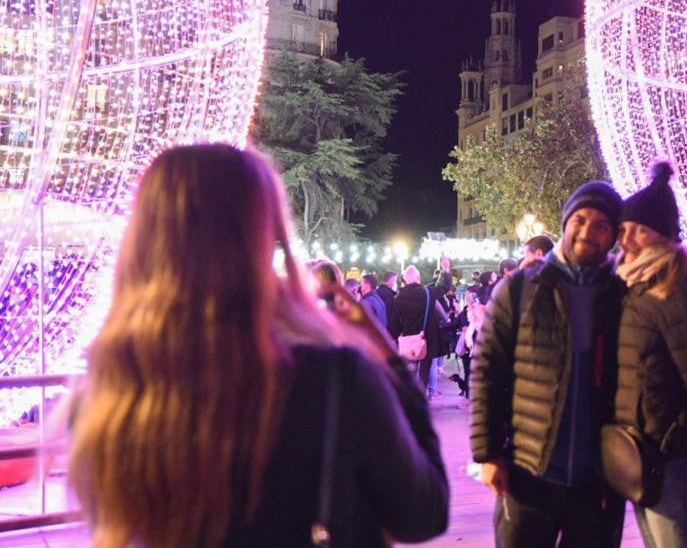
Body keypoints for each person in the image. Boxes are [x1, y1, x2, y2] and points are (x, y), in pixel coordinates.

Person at [66, 144, 448, 547]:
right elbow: (423, 513)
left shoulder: (108, 393)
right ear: (262, 238)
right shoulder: (333, 381)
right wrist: (387, 357)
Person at [471, 180, 629, 547]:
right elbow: (486, 372)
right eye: (581, 219)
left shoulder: (623, 294)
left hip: (598, 481)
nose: (588, 231)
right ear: (565, 223)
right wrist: (488, 453)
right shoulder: (520, 289)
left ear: (614, 236)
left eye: (601, 225)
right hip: (528, 473)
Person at [613, 162, 687, 547]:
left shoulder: (675, 292)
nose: (627, 241)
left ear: (664, 238)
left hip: (675, 459)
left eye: (641, 232)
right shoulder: (639, 287)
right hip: (644, 455)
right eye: (624, 230)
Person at [392, 265, 451, 395]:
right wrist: (446, 270)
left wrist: (397, 338)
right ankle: (421, 397)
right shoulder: (428, 293)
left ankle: (410, 399)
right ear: (418, 278)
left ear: (405, 280)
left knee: (409, 371)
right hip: (427, 339)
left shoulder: (398, 298)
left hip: (408, 340)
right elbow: (445, 287)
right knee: (424, 370)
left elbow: (394, 324)